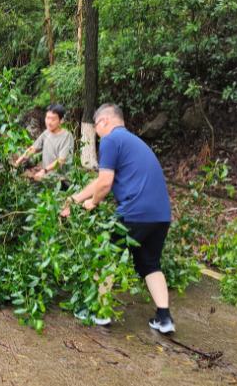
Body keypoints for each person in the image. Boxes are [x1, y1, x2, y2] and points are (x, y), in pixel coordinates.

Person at [60, 103, 175, 334]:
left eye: (95, 127)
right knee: (150, 264)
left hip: (135, 212)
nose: (97, 133)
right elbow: (99, 180)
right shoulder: (133, 142)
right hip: (160, 215)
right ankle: (164, 318)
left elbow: (104, 183)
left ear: (102, 122)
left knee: (105, 256)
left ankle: (98, 311)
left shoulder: (110, 140)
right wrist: (74, 198)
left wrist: (93, 202)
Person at [13, 104, 75, 183]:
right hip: (46, 174)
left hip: (60, 178)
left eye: (53, 119)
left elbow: (62, 159)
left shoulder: (67, 136)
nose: (49, 122)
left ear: (61, 120)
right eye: (47, 118)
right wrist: (18, 162)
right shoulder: (46, 133)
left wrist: (44, 171)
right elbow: (33, 148)